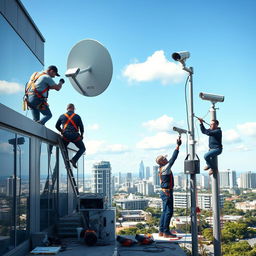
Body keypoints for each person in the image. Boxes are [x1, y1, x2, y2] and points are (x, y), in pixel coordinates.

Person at [156, 136, 182, 238]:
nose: (166, 159)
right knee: (169, 212)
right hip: (167, 192)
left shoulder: (161, 168)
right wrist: (178, 146)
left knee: (165, 211)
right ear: (162, 162)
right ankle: (166, 232)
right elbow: (173, 158)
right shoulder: (165, 167)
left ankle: (162, 231)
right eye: (164, 158)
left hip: (164, 191)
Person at [55, 103, 86, 168]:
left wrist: (61, 131)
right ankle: (74, 160)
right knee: (82, 148)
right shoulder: (77, 116)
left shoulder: (62, 116)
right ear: (73, 108)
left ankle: (67, 163)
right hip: (75, 136)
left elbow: (56, 126)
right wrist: (81, 135)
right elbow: (81, 127)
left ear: (67, 108)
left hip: (66, 136)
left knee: (64, 147)